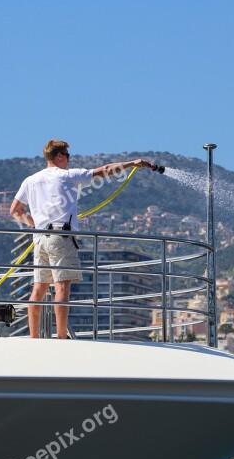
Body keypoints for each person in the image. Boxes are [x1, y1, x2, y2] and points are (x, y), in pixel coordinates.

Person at [10, 139, 153, 339]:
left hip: (40, 238)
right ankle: (61, 336)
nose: (69, 160)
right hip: (61, 237)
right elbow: (105, 170)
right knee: (62, 287)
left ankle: (34, 337)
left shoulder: (30, 180)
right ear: (59, 156)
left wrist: (33, 223)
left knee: (39, 289)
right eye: (67, 156)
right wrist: (131, 164)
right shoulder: (67, 176)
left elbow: (15, 210)